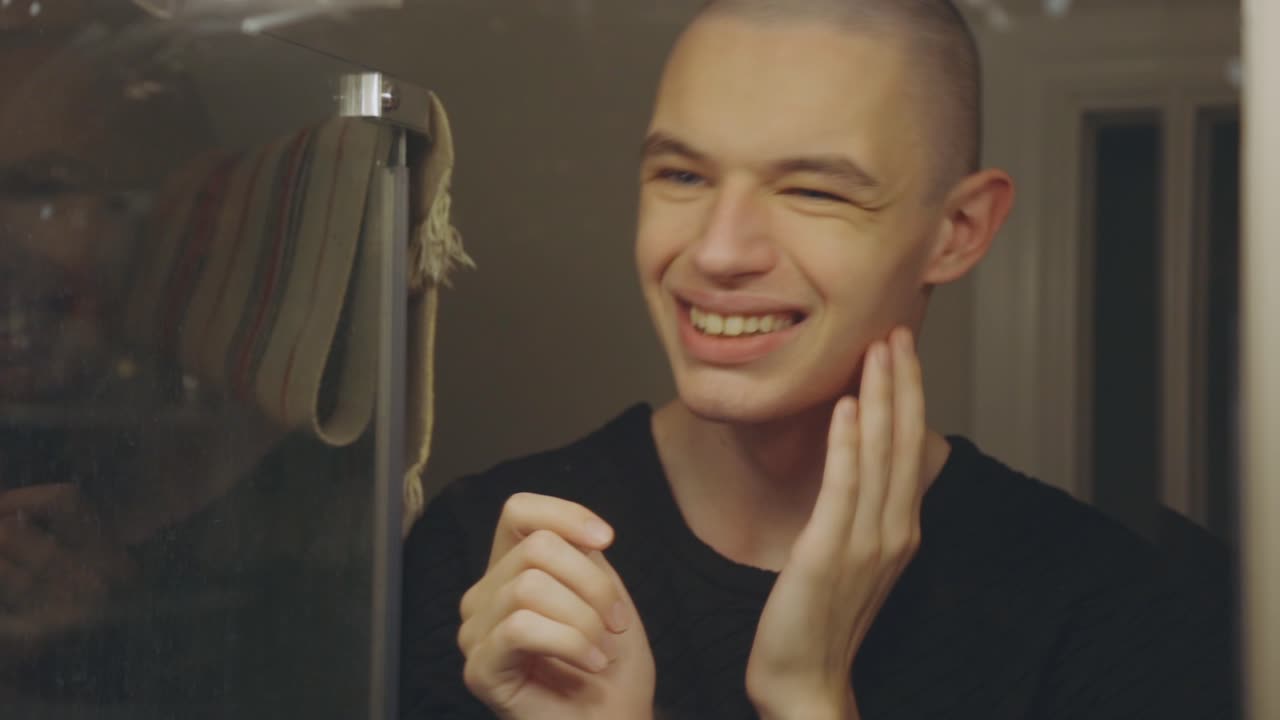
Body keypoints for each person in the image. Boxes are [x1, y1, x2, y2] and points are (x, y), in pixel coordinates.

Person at [399, 1, 1237, 718]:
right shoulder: (493, 559)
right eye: (682, 176)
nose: (719, 251)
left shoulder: (1113, 613)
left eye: (813, 190)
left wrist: (806, 695)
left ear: (958, 231)